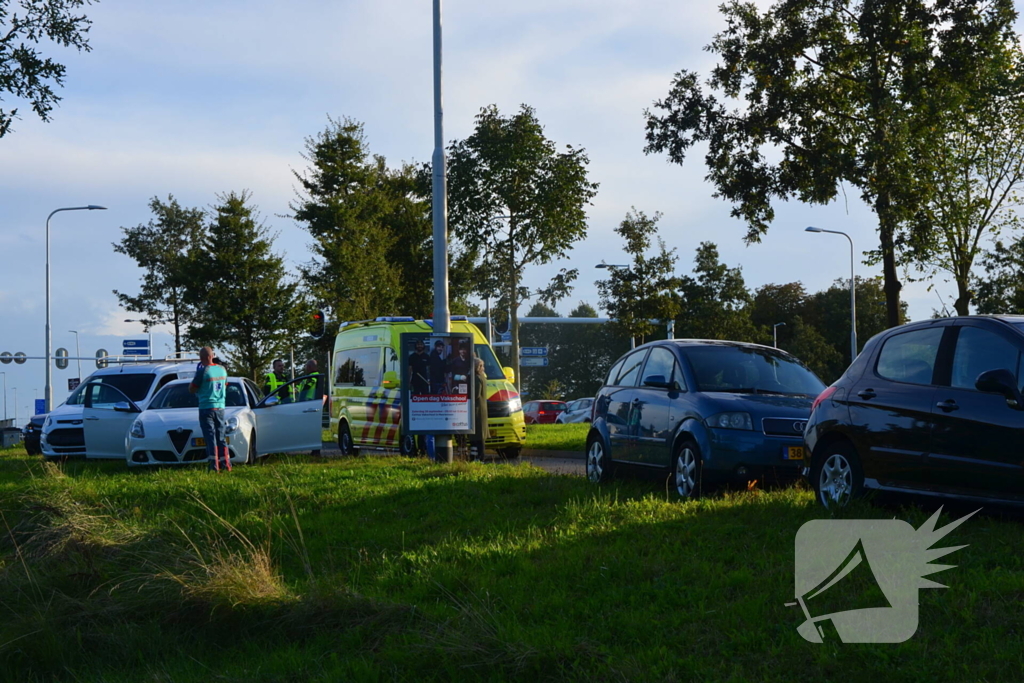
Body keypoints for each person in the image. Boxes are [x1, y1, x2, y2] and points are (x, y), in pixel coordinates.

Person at [189, 346, 231, 472]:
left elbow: (192, 389)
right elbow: (226, 385)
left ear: (201, 358)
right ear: (212, 356)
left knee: (210, 438)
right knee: (221, 437)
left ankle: (214, 466)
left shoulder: (202, 371)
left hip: (206, 407)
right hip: (220, 407)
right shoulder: (222, 369)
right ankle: (226, 464)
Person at [295, 359, 323, 456]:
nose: (305, 368)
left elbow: (306, 389)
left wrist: (300, 401)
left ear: (310, 367)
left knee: (311, 428)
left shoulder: (313, 377)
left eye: (306, 366)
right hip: (310, 404)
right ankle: (314, 450)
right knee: (311, 428)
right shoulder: (311, 377)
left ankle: (315, 451)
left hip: (309, 404)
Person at [471, 357, 490, 461]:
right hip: (482, 410)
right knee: (479, 437)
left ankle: (479, 458)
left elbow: (476, 394)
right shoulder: (483, 377)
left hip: (477, 410)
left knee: (478, 437)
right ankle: (477, 458)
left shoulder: (477, 378)